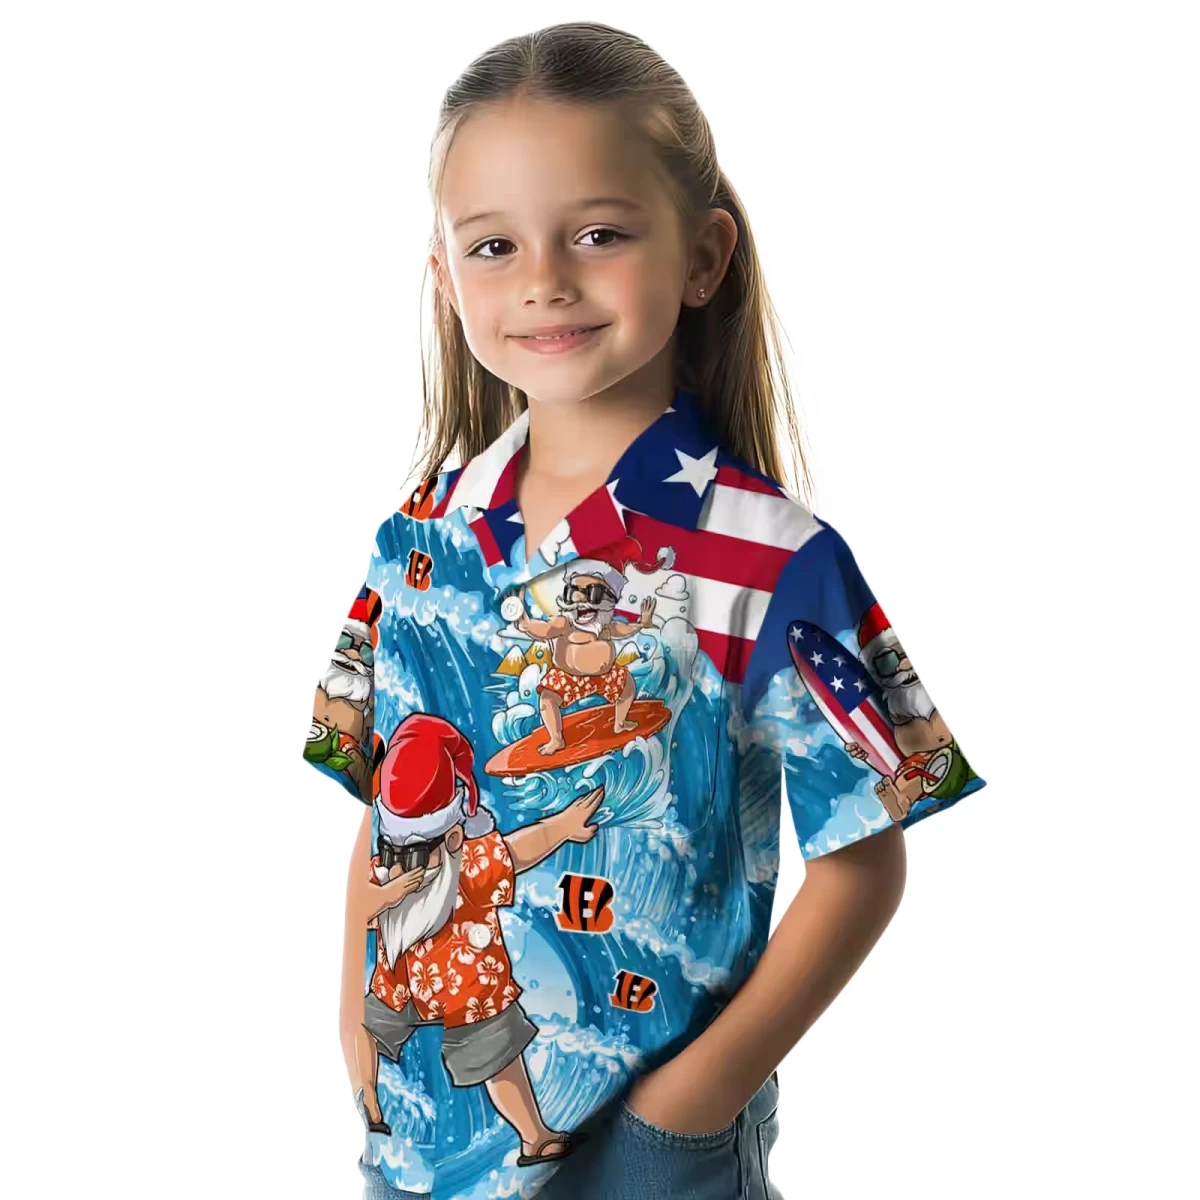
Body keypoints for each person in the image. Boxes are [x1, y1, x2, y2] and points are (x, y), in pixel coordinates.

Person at [302, 21, 988, 1200]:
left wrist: (695, 1099)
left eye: (599, 234)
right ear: (445, 278)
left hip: (652, 1145)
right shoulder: (420, 537)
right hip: (426, 1128)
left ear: (704, 255)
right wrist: (348, 1021)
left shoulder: (768, 558)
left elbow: (865, 860)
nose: (543, 280)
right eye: (494, 244)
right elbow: (383, 805)